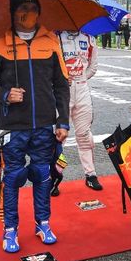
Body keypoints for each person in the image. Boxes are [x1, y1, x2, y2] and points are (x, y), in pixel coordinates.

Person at [0, 0, 70, 253]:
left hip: (45, 125)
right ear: (12, 11)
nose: (28, 12)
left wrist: (62, 121)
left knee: (43, 176)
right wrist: (6, 94)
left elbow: (61, 85)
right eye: (23, 7)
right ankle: (10, 229)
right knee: (12, 179)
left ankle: (43, 223)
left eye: (33, 8)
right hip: (14, 127)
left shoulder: (51, 41)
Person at [56, 30, 102, 194]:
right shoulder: (56, 37)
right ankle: (54, 176)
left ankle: (90, 174)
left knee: (83, 134)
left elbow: (93, 67)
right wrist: (61, 78)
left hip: (82, 89)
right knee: (59, 135)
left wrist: (80, 78)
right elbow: (49, 66)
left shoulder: (90, 38)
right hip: (62, 92)